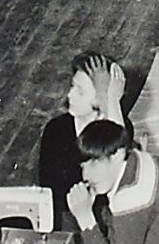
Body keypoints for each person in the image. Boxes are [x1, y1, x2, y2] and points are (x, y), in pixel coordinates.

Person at [37, 53, 127, 228]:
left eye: (80, 91)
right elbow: (52, 193)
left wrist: (106, 98)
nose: (70, 94)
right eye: (72, 86)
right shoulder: (56, 130)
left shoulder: (120, 125)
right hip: (67, 219)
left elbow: (122, 175)